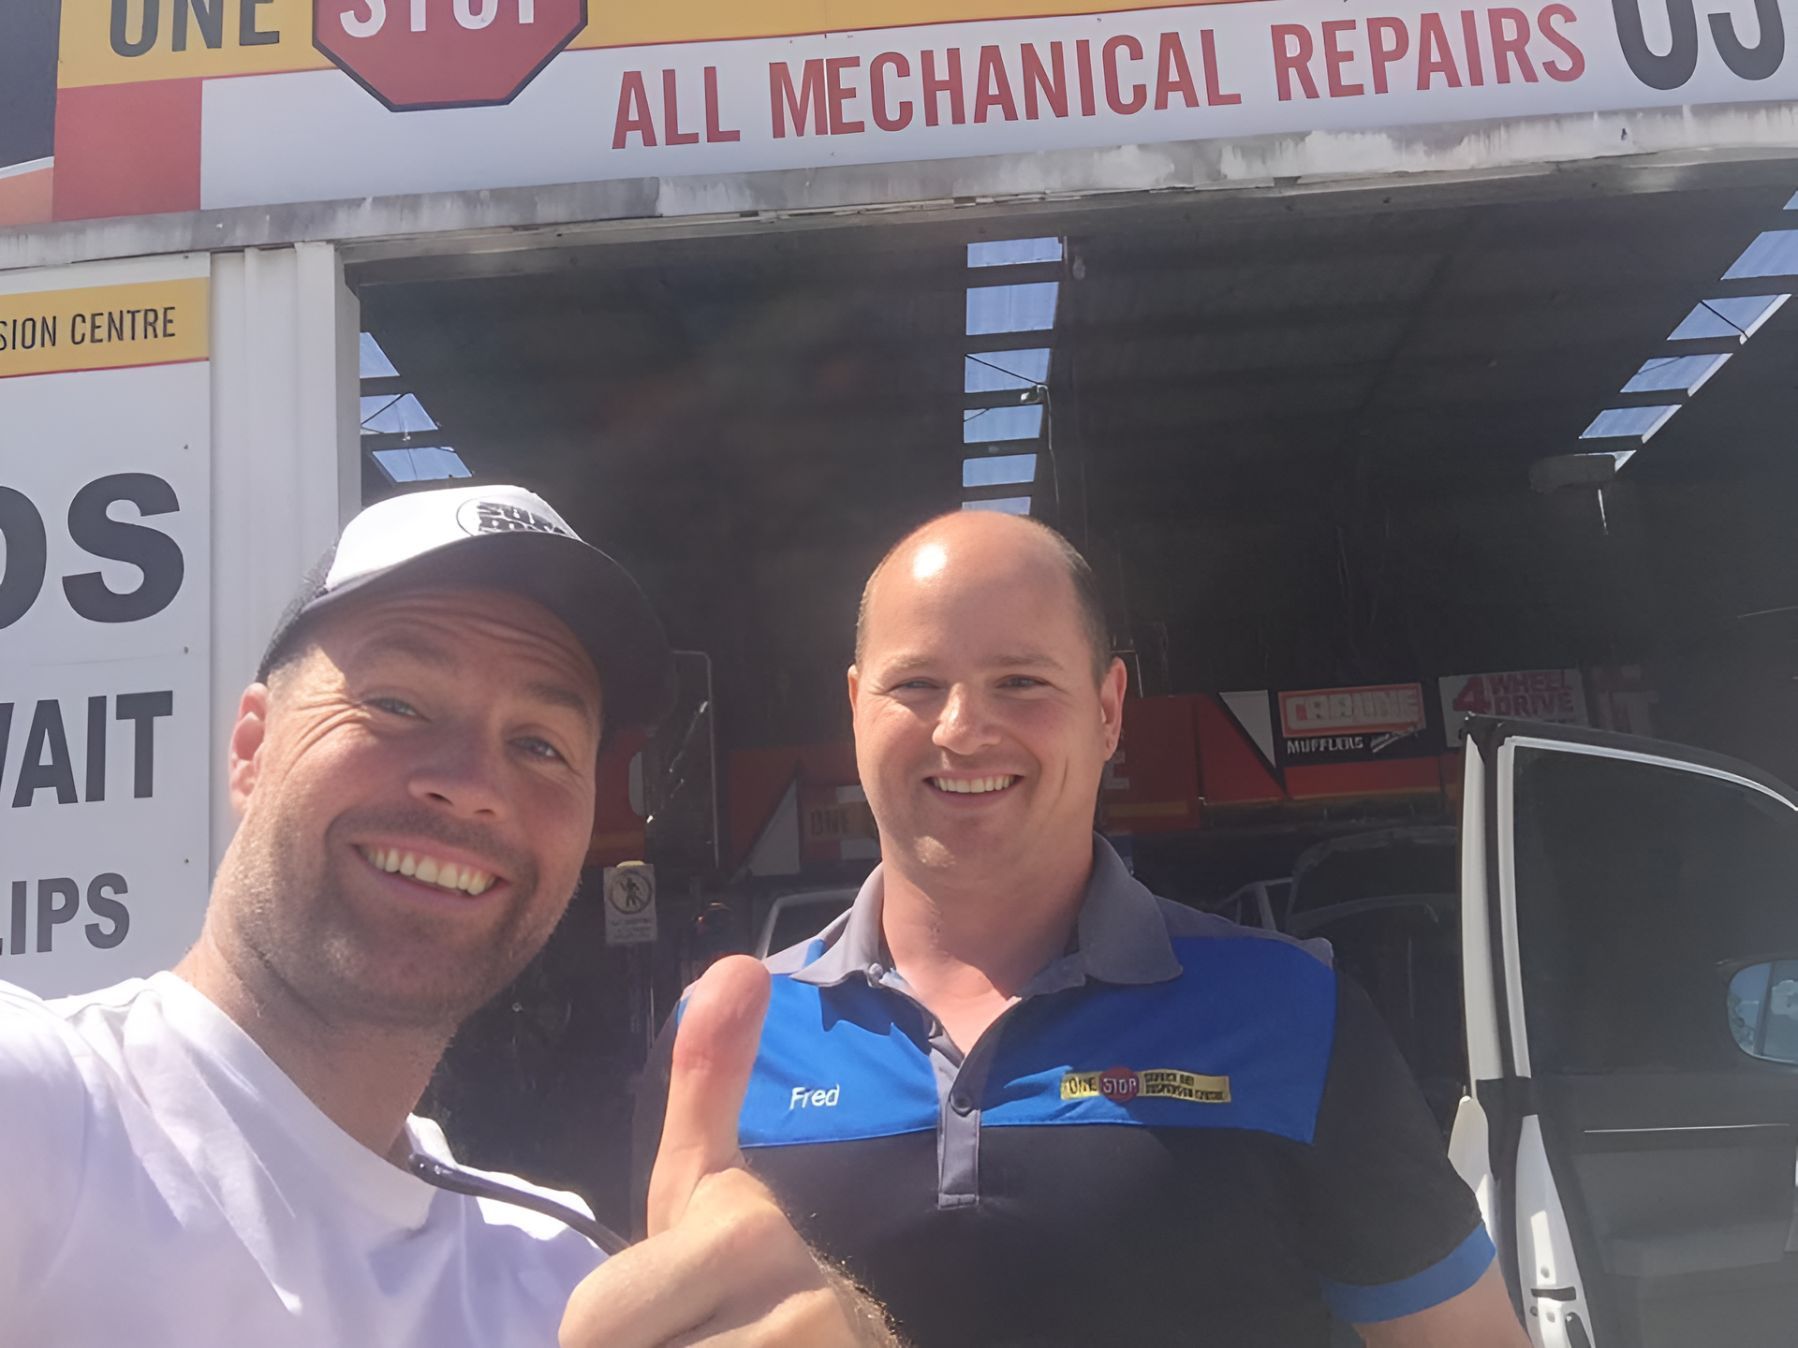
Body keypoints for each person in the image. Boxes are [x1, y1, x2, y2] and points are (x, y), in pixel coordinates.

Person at [0, 483, 892, 1348]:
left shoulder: (558, 1278)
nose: (471, 787)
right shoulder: (46, 1113)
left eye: (539, 745)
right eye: (396, 703)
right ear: (251, 750)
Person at [634, 509, 1532, 1347]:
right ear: (857, 708)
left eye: (1019, 682)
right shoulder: (720, 1054)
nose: (962, 729)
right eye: (916, 684)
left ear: (1108, 710)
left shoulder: (1296, 1015)